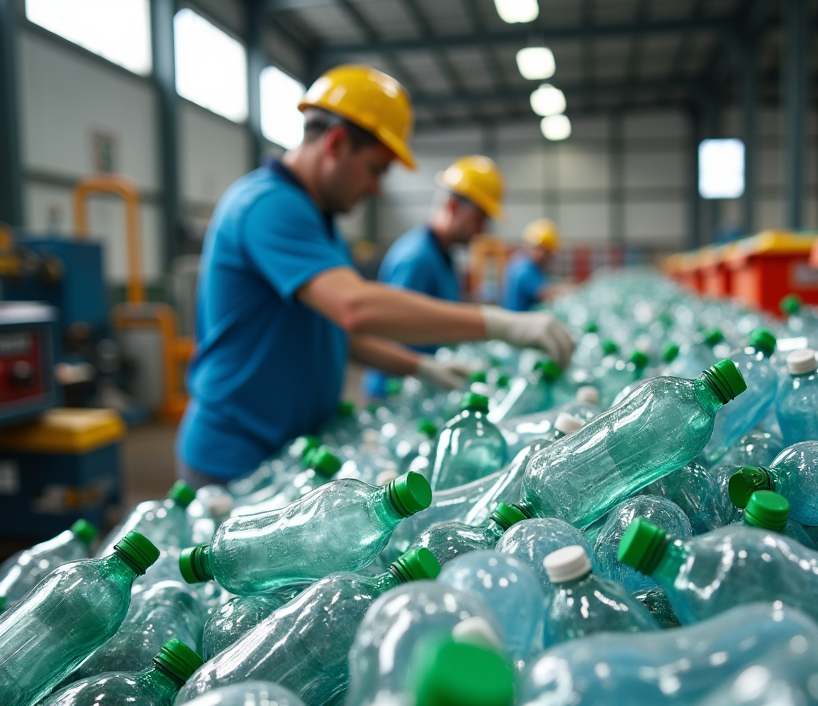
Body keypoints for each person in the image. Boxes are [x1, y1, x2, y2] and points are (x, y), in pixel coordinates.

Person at [175, 65, 574, 488]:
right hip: (236, 457)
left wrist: (419, 365)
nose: (377, 189)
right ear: (337, 143)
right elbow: (354, 308)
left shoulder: (317, 222)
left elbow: (334, 333)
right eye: (376, 170)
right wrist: (498, 323)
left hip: (289, 449)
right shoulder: (268, 206)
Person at [364, 155, 505, 397]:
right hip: (397, 392)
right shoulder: (417, 259)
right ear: (452, 207)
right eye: (478, 220)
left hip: (424, 384)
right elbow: (389, 329)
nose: (481, 231)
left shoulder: (444, 257)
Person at [502, 218, 561, 312]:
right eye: (541, 250)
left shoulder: (519, 260)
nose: (543, 255)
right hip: (520, 322)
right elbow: (548, 294)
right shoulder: (525, 270)